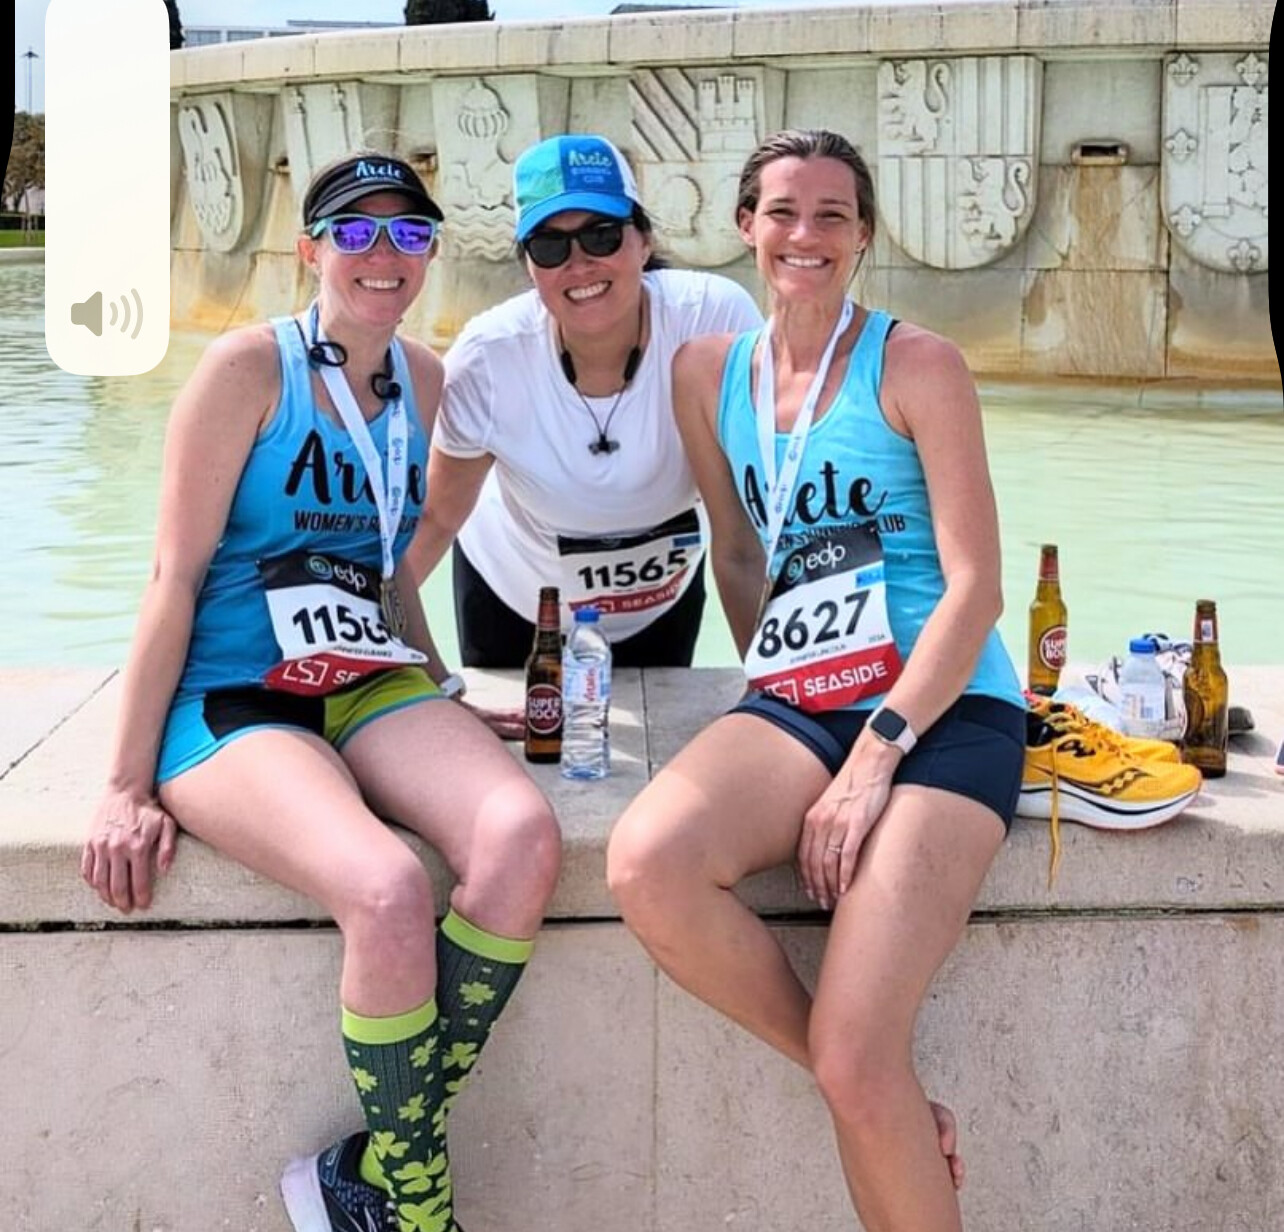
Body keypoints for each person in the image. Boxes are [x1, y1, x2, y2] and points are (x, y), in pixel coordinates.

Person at [80, 152, 561, 1232]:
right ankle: (420, 1214)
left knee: (521, 835)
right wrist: (122, 783)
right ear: (310, 251)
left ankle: (374, 1168)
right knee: (386, 890)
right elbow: (172, 577)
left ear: (431, 253)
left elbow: (388, 569)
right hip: (239, 692)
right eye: (356, 232)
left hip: (368, 679)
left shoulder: (426, 383)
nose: (384, 254)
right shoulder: (247, 370)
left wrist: (437, 683)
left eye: (409, 233)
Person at [607, 129, 1024, 1230]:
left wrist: (879, 750)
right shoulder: (705, 375)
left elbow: (977, 587)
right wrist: (772, 687)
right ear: (746, 225)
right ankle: (870, 1086)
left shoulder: (918, 365)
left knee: (858, 1048)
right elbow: (740, 552)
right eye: (784, 211)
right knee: (647, 863)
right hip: (803, 697)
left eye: (833, 215)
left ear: (864, 236)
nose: (806, 234)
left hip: (943, 707)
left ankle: (860, 1073)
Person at [405, 133, 763, 668]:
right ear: (529, 266)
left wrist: (778, 687)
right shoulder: (487, 357)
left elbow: (760, 517)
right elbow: (435, 518)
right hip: (513, 597)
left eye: (602, 236)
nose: (580, 264)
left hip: (661, 599)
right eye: (550, 246)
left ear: (643, 241)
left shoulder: (714, 321)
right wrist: (372, 646)